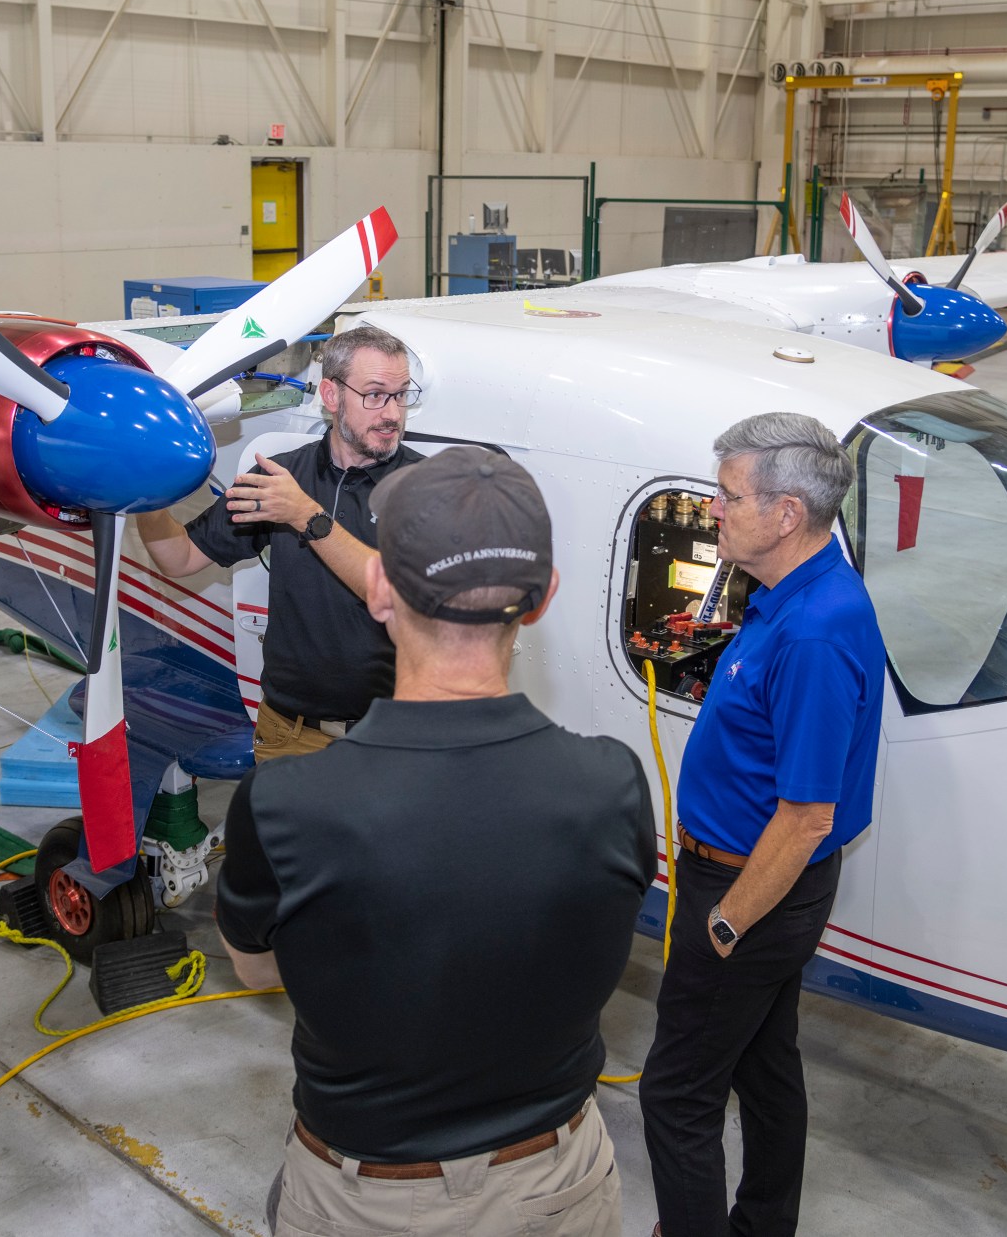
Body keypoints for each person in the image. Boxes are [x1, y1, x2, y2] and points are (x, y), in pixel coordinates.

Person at [213, 446, 655, 1237]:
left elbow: (256, 964)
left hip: (369, 1197)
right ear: (544, 597)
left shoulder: (286, 804)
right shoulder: (613, 783)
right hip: (559, 1186)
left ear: (379, 587)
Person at [639, 412, 886, 1237]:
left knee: (677, 1092)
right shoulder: (796, 591)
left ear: (786, 514)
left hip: (751, 887)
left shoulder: (814, 631)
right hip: (763, 884)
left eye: (728, 494)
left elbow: (808, 814)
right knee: (765, 1063)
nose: (714, 508)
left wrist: (725, 920)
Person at [134, 324, 424, 762]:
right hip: (290, 736)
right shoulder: (279, 480)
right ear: (331, 396)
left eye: (401, 394)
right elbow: (180, 557)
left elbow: (396, 594)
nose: (392, 413)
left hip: (395, 741)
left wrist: (304, 515)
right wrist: (141, 493)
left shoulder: (428, 488)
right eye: (375, 394)